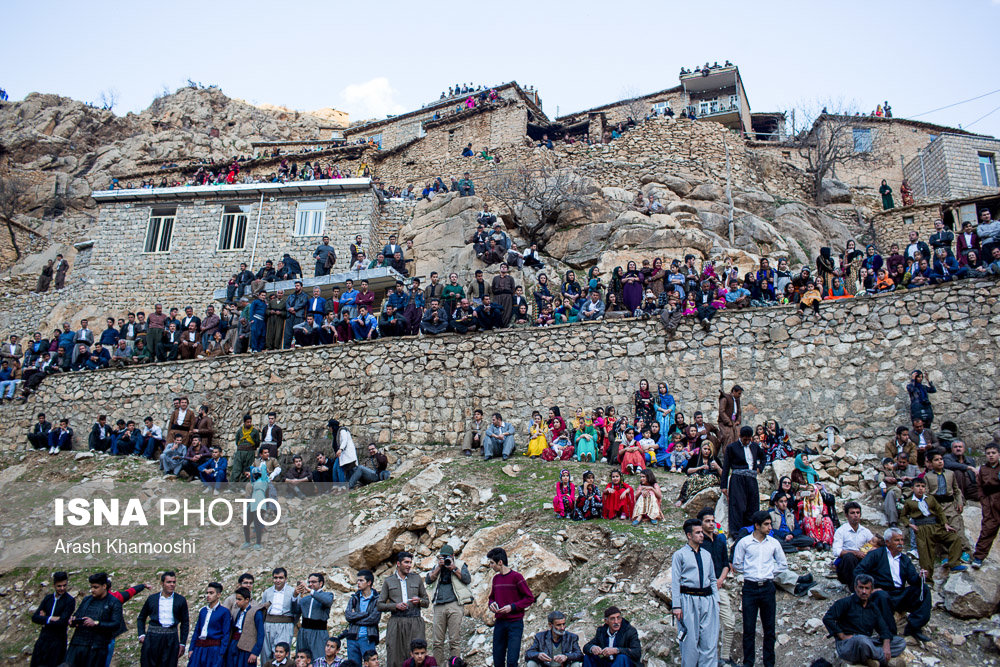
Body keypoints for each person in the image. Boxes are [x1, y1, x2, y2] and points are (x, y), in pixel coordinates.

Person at [855, 527, 932, 642]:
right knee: (882, 596)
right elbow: (859, 571)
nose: (900, 543)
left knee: (924, 589)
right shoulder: (876, 555)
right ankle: (890, 634)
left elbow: (912, 579)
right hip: (881, 593)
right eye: (897, 540)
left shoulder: (904, 559)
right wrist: (870, 589)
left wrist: (920, 577)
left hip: (899, 594)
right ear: (887, 542)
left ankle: (914, 627)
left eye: (902, 540)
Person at [732, 511, 786, 667]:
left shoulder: (773, 543)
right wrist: (750, 572)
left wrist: (769, 573)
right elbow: (737, 563)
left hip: (767, 587)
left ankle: (769, 663)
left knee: (769, 629)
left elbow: (783, 564)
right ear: (757, 525)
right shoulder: (744, 542)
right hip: (750, 587)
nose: (770, 527)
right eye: (766, 524)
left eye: (770, 524)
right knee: (748, 628)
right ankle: (748, 663)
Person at [822, 574, 906, 667]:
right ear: (855, 588)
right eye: (861, 588)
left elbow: (883, 628)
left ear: (871, 590)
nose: (864, 591)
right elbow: (828, 618)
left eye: (867, 588)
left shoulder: (873, 607)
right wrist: (842, 635)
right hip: (848, 645)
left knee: (900, 642)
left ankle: (870, 657)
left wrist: (886, 644)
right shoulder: (845, 603)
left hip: (867, 642)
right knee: (861, 640)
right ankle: (881, 659)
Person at [670, 518, 719, 667]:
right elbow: (675, 581)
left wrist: (715, 599)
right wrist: (676, 605)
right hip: (688, 600)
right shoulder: (680, 555)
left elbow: (712, 578)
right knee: (690, 642)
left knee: (709, 641)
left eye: (701, 532)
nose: (701, 535)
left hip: (707, 599)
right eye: (697, 533)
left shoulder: (706, 554)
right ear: (689, 535)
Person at [901, 478, 965, 572]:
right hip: (921, 528)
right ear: (912, 488)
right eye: (917, 486)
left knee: (954, 538)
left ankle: (954, 564)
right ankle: (928, 581)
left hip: (935, 526)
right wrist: (910, 525)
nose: (920, 489)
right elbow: (903, 516)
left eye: (923, 486)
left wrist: (945, 524)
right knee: (926, 555)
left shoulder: (930, 498)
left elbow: (939, 511)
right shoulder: (909, 502)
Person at [378, 551, 429, 667]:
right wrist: (395, 606)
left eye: (410, 562)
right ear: (398, 563)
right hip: (396, 621)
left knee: (418, 655)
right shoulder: (388, 581)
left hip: (415, 621)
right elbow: (379, 605)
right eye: (406, 562)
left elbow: (426, 602)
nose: (409, 565)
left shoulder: (416, 579)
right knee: (395, 655)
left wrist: (419, 601)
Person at [487, 547, 535, 667]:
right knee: (498, 660)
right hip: (500, 623)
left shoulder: (516, 577)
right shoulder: (496, 579)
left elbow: (529, 598)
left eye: (492, 562)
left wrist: (512, 607)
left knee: (512, 661)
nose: (490, 565)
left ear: (500, 562)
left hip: (515, 624)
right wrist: (491, 604)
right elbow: (491, 597)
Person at [63, 572, 123, 667]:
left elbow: (116, 624)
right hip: (77, 644)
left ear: (104, 586)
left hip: (96, 648)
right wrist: (73, 620)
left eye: (95, 587)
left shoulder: (114, 602)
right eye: (91, 587)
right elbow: (78, 614)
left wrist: (96, 623)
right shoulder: (87, 600)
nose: (92, 590)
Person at [426, 545, 472, 666]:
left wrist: (453, 567)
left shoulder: (461, 564)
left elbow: (467, 579)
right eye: (443, 556)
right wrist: (438, 568)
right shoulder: (437, 566)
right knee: (437, 641)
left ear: (453, 556)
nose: (445, 559)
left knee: (454, 640)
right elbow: (428, 580)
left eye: (447, 556)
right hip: (439, 605)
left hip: (455, 604)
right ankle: (436, 664)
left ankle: (455, 665)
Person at [136, 571, 189, 667]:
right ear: (162, 583)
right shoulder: (152, 599)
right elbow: (141, 618)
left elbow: (185, 623)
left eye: (174, 582)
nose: (172, 585)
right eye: (169, 582)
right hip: (153, 638)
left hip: (171, 639)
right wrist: (141, 635)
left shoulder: (180, 600)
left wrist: (182, 643)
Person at [721, 426, 764, 536]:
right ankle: (736, 533)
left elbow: (763, 457)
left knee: (752, 504)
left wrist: (760, 467)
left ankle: (751, 530)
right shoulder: (732, 448)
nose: (747, 441)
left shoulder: (754, 447)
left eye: (749, 439)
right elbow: (726, 467)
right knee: (738, 505)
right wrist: (724, 485)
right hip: (737, 479)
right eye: (745, 439)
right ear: (740, 437)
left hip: (751, 479)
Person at [30, 571, 75, 667]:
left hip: (58, 641)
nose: (62, 588)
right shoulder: (48, 598)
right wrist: (51, 618)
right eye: (59, 586)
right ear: (54, 585)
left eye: (64, 585)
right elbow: (34, 617)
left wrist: (44, 619)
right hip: (43, 639)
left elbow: (62, 622)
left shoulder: (69, 601)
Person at [293, 574, 335, 663]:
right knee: (302, 659)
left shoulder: (328, 595)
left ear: (321, 583)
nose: (310, 584)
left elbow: (327, 602)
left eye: (313, 582)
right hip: (304, 632)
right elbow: (295, 612)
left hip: (318, 633)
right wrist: (295, 596)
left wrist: (311, 591)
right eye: (309, 582)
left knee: (318, 659)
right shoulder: (305, 599)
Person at [831, 501, 875, 587]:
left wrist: (868, 551)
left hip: (862, 562)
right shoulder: (841, 531)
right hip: (847, 566)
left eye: (858, 513)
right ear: (847, 515)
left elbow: (873, 543)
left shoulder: (865, 531)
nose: (856, 515)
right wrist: (855, 553)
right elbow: (836, 551)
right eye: (852, 513)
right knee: (849, 557)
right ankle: (853, 587)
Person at [187, 582, 229, 667]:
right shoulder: (203, 611)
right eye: (207, 593)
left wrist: (221, 653)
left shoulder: (224, 612)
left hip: (214, 649)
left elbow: (226, 634)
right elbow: (197, 631)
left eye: (211, 593)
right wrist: (191, 648)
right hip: (199, 648)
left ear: (218, 595)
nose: (208, 595)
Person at [345, 569, 381, 666]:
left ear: (369, 582)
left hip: (368, 638)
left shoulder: (377, 599)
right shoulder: (354, 598)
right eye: (358, 580)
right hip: (352, 637)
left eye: (361, 580)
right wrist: (364, 614)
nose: (358, 583)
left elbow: (374, 619)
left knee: (371, 664)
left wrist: (355, 618)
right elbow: (348, 616)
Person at [261, 568, 296, 663]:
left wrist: (291, 623)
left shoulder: (292, 591)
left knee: (281, 652)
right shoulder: (267, 592)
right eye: (275, 578)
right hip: (268, 625)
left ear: (285, 579)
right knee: (266, 652)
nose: (278, 580)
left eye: (281, 578)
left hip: (284, 625)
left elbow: (297, 610)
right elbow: (263, 608)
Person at [227, 586, 266, 667]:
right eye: (236, 599)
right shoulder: (238, 612)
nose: (237, 602)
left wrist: (255, 652)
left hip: (247, 648)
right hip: (235, 645)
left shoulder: (255, 613)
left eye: (239, 599)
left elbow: (260, 634)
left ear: (247, 600)